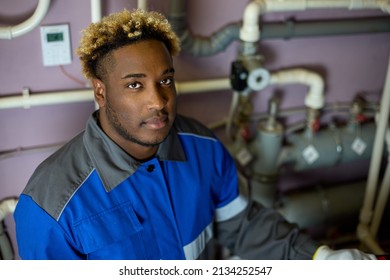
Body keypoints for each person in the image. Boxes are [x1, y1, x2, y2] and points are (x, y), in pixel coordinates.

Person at [14, 8, 376, 260]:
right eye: (135, 85)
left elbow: (243, 226)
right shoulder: (50, 205)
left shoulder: (202, 146)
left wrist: (318, 258)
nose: (159, 100)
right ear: (101, 92)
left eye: (165, 80)